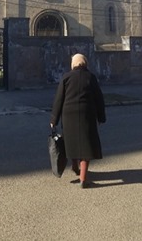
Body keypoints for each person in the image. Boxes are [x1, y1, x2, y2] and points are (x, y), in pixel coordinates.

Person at [50, 53, 106, 188]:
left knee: (72, 143)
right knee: (86, 146)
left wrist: (54, 119)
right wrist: (101, 117)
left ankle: (75, 167)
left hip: (69, 115)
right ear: (85, 63)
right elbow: (99, 98)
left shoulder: (66, 78)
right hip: (87, 115)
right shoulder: (91, 77)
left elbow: (59, 100)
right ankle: (83, 178)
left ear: (73, 64)